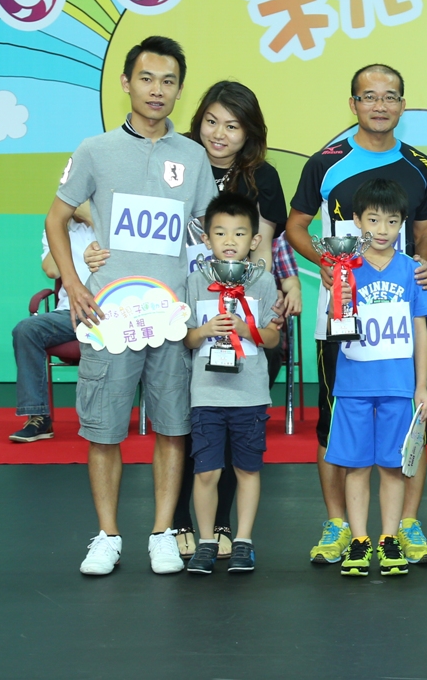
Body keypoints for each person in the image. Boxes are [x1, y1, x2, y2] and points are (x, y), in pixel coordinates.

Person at [86, 79, 305, 558]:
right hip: (180, 313)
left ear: (250, 132)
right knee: (185, 421)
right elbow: (109, 204)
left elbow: (268, 245)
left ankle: (222, 522)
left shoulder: (262, 178)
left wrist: (282, 284)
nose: (219, 134)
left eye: (233, 126)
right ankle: (179, 522)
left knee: (232, 423)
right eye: (211, 122)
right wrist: (95, 245)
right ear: (197, 120)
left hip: (242, 317)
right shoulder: (177, 157)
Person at [46, 35, 218, 577]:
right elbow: (56, 218)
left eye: (168, 81)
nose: (156, 90)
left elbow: (206, 234)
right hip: (110, 317)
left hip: (171, 318)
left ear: (179, 90)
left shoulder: (193, 156)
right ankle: (107, 535)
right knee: (104, 429)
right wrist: (74, 283)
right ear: (126, 82)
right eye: (146, 78)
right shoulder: (94, 150)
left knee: (172, 427)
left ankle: (162, 533)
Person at [287, 64, 427, 567]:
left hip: (400, 321)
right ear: (353, 104)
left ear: (402, 104)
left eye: (390, 96)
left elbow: (424, 235)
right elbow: (296, 226)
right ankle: (339, 525)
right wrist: (326, 264)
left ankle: (405, 525)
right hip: (341, 317)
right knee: (334, 423)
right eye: (369, 96)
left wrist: (423, 268)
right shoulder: (326, 162)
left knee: (410, 420)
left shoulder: (420, 165)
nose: (380, 105)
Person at [323, 179, 427, 578]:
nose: (383, 229)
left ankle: (389, 538)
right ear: (356, 221)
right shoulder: (345, 268)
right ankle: (359, 539)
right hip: (354, 385)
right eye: (373, 220)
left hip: (398, 386)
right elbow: (335, 322)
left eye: (392, 221)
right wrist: (336, 293)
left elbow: (421, 330)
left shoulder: (411, 271)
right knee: (355, 466)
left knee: (393, 466)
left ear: (403, 223)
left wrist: (421, 386)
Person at [180, 192, 281, 575]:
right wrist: (205, 330)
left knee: (247, 469)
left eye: (239, 233)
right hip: (206, 394)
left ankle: (243, 541)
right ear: (206, 238)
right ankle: (207, 541)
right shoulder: (194, 282)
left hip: (250, 396)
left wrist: (245, 329)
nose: (229, 240)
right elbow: (187, 339)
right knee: (206, 471)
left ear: (254, 240)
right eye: (220, 232)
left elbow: (272, 338)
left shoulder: (263, 282)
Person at [9, 201, 96, 442]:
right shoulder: (56, 227)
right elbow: (51, 270)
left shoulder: (114, 224)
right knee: (26, 330)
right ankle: (38, 417)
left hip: (113, 312)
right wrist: (62, 227)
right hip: (70, 313)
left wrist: (93, 218)